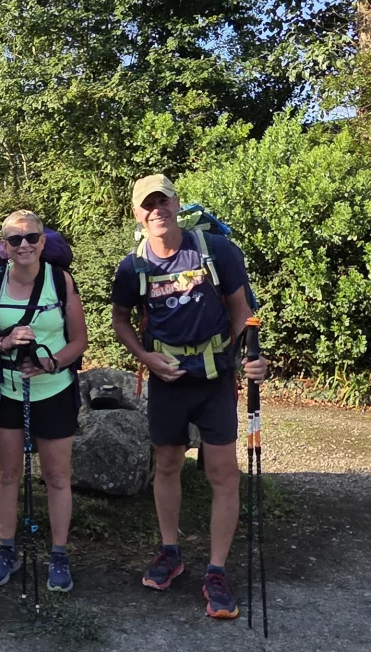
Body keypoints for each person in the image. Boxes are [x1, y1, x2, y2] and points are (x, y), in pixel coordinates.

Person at [109, 173, 266, 620]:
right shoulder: (131, 267)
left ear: (176, 204)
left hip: (216, 376)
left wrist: (253, 358)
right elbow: (121, 320)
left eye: (163, 201)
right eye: (147, 204)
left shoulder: (216, 251)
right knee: (168, 463)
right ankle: (170, 551)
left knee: (223, 471)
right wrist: (144, 357)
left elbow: (242, 314)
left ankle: (216, 571)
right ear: (137, 214)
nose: (156, 210)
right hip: (166, 379)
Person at [0, 210, 88, 592]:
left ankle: (59, 554)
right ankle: (6, 549)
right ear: (4, 247)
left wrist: (51, 362)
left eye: (31, 238)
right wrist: (6, 343)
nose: (23, 245)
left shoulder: (60, 280)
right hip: (8, 391)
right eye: (14, 240)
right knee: (7, 475)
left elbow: (79, 341)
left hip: (54, 390)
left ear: (42, 241)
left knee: (58, 477)